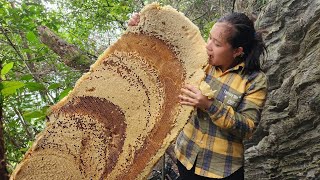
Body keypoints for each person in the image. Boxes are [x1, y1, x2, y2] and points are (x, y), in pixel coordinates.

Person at [129, 11, 268, 180]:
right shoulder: (200, 61)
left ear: (237, 51)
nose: (208, 46)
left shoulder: (254, 80)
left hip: (222, 169)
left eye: (217, 44)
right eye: (209, 38)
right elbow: (161, 58)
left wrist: (209, 105)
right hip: (186, 156)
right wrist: (141, 28)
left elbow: (247, 127)